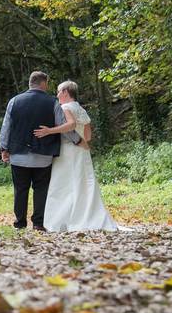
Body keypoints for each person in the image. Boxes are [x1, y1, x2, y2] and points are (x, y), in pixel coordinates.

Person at [0, 71, 82, 230]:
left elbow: (6, 127)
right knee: (41, 189)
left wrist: (4, 148)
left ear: (31, 83)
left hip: (18, 155)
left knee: (20, 189)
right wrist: (77, 140)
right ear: (43, 83)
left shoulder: (14, 101)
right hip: (43, 156)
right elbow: (62, 126)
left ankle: (20, 223)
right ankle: (38, 223)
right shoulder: (52, 102)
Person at [33, 80, 120, 232]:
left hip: (68, 151)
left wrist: (49, 131)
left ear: (66, 92)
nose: (57, 94)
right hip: (81, 151)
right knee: (83, 184)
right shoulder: (80, 108)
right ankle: (88, 216)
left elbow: (70, 125)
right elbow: (88, 134)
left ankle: (62, 220)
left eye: (59, 91)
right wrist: (83, 143)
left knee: (62, 184)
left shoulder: (65, 107)